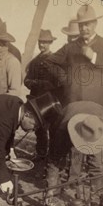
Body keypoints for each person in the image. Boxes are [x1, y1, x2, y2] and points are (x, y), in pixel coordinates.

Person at [45, 101, 103, 206]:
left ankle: (96, 200)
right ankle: (59, 191)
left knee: (98, 166)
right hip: (69, 121)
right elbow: (53, 160)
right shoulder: (61, 130)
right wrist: (50, 189)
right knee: (63, 158)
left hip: (95, 120)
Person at [44, 5, 103, 106]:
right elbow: (48, 62)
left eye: (87, 24)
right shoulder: (70, 47)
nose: (83, 28)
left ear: (95, 23)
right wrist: (64, 79)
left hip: (100, 102)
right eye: (80, 25)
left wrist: (94, 57)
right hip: (75, 102)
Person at [24, 29, 59, 157]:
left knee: (53, 129)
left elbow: (58, 82)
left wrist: (47, 85)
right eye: (40, 42)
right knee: (39, 129)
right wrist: (36, 83)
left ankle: (53, 157)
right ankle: (41, 153)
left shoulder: (56, 61)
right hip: (36, 101)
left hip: (51, 102)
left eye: (45, 42)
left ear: (50, 43)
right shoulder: (34, 62)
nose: (42, 45)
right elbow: (26, 81)